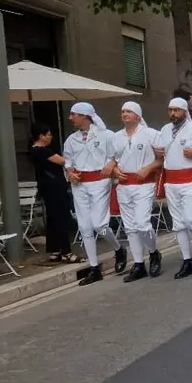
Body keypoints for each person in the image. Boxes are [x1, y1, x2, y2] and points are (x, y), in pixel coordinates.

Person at [63, 102, 127, 285]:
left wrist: (112, 163)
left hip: (99, 181)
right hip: (80, 185)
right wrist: (69, 172)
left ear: (84, 116)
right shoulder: (71, 139)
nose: (70, 117)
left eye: (73, 114)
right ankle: (94, 268)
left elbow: (119, 152)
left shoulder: (106, 135)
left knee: (99, 224)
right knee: (84, 227)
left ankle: (118, 248)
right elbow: (68, 159)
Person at [154, 98, 192, 279]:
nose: (172, 114)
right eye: (170, 110)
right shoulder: (164, 130)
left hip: (189, 180)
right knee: (178, 223)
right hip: (171, 181)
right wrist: (158, 153)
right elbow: (159, 154)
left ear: (185, 111)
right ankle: (187, 261)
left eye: (176, 110)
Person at [112, 102, 163, 282]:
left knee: (142, 223)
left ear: (138, 116)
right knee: (131, 227)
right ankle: (139, 264)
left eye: (129, 111)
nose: (125, 114)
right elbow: (111, 160)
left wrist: (148, 168)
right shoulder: (116, 137)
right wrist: (114, 170)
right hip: (124, 185)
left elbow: (162, 157)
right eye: (123, 111)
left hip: (143, 184)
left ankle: (153, 252)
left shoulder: (151, 134)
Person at [29, 123, 81, 263]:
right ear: (41, 136)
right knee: (62, 218)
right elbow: (63, 160)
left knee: (52, 218)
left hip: (46, 187)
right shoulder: (43, 151)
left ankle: (55, 250)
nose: (50, 136)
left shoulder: (33, 151)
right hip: (55, 187)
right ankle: (66, 252)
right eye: (48, 134)